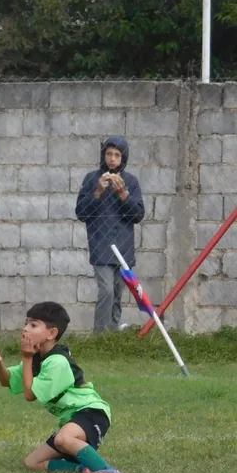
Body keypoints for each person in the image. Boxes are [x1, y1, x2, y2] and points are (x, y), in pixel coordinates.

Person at [0, 301, 124, 473]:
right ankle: (83, 468)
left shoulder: (57, 361)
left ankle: (107, 470)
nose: (25, 329)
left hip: (92, 413)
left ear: (52, 333)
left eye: (33, 325)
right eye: (25, 323)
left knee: (62, 439)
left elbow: (29, 395)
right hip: (73, 419)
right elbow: (8, 381)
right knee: (32, 462)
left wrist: (26, 358)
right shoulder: (37, 358)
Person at [75, 136, 145, 334]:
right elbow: (81, 213)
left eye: (116, 155)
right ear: (103, 155)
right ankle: (99, 336)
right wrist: (97, 191)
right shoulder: (91, 179)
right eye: (108, 154)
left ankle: (112, 335)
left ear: (123, 158)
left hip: (123, 246)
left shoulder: (131, 181)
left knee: (117, 293)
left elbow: (138, 215)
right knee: (106, 289)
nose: (112, 159)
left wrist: (124, 194)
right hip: (100, 244)